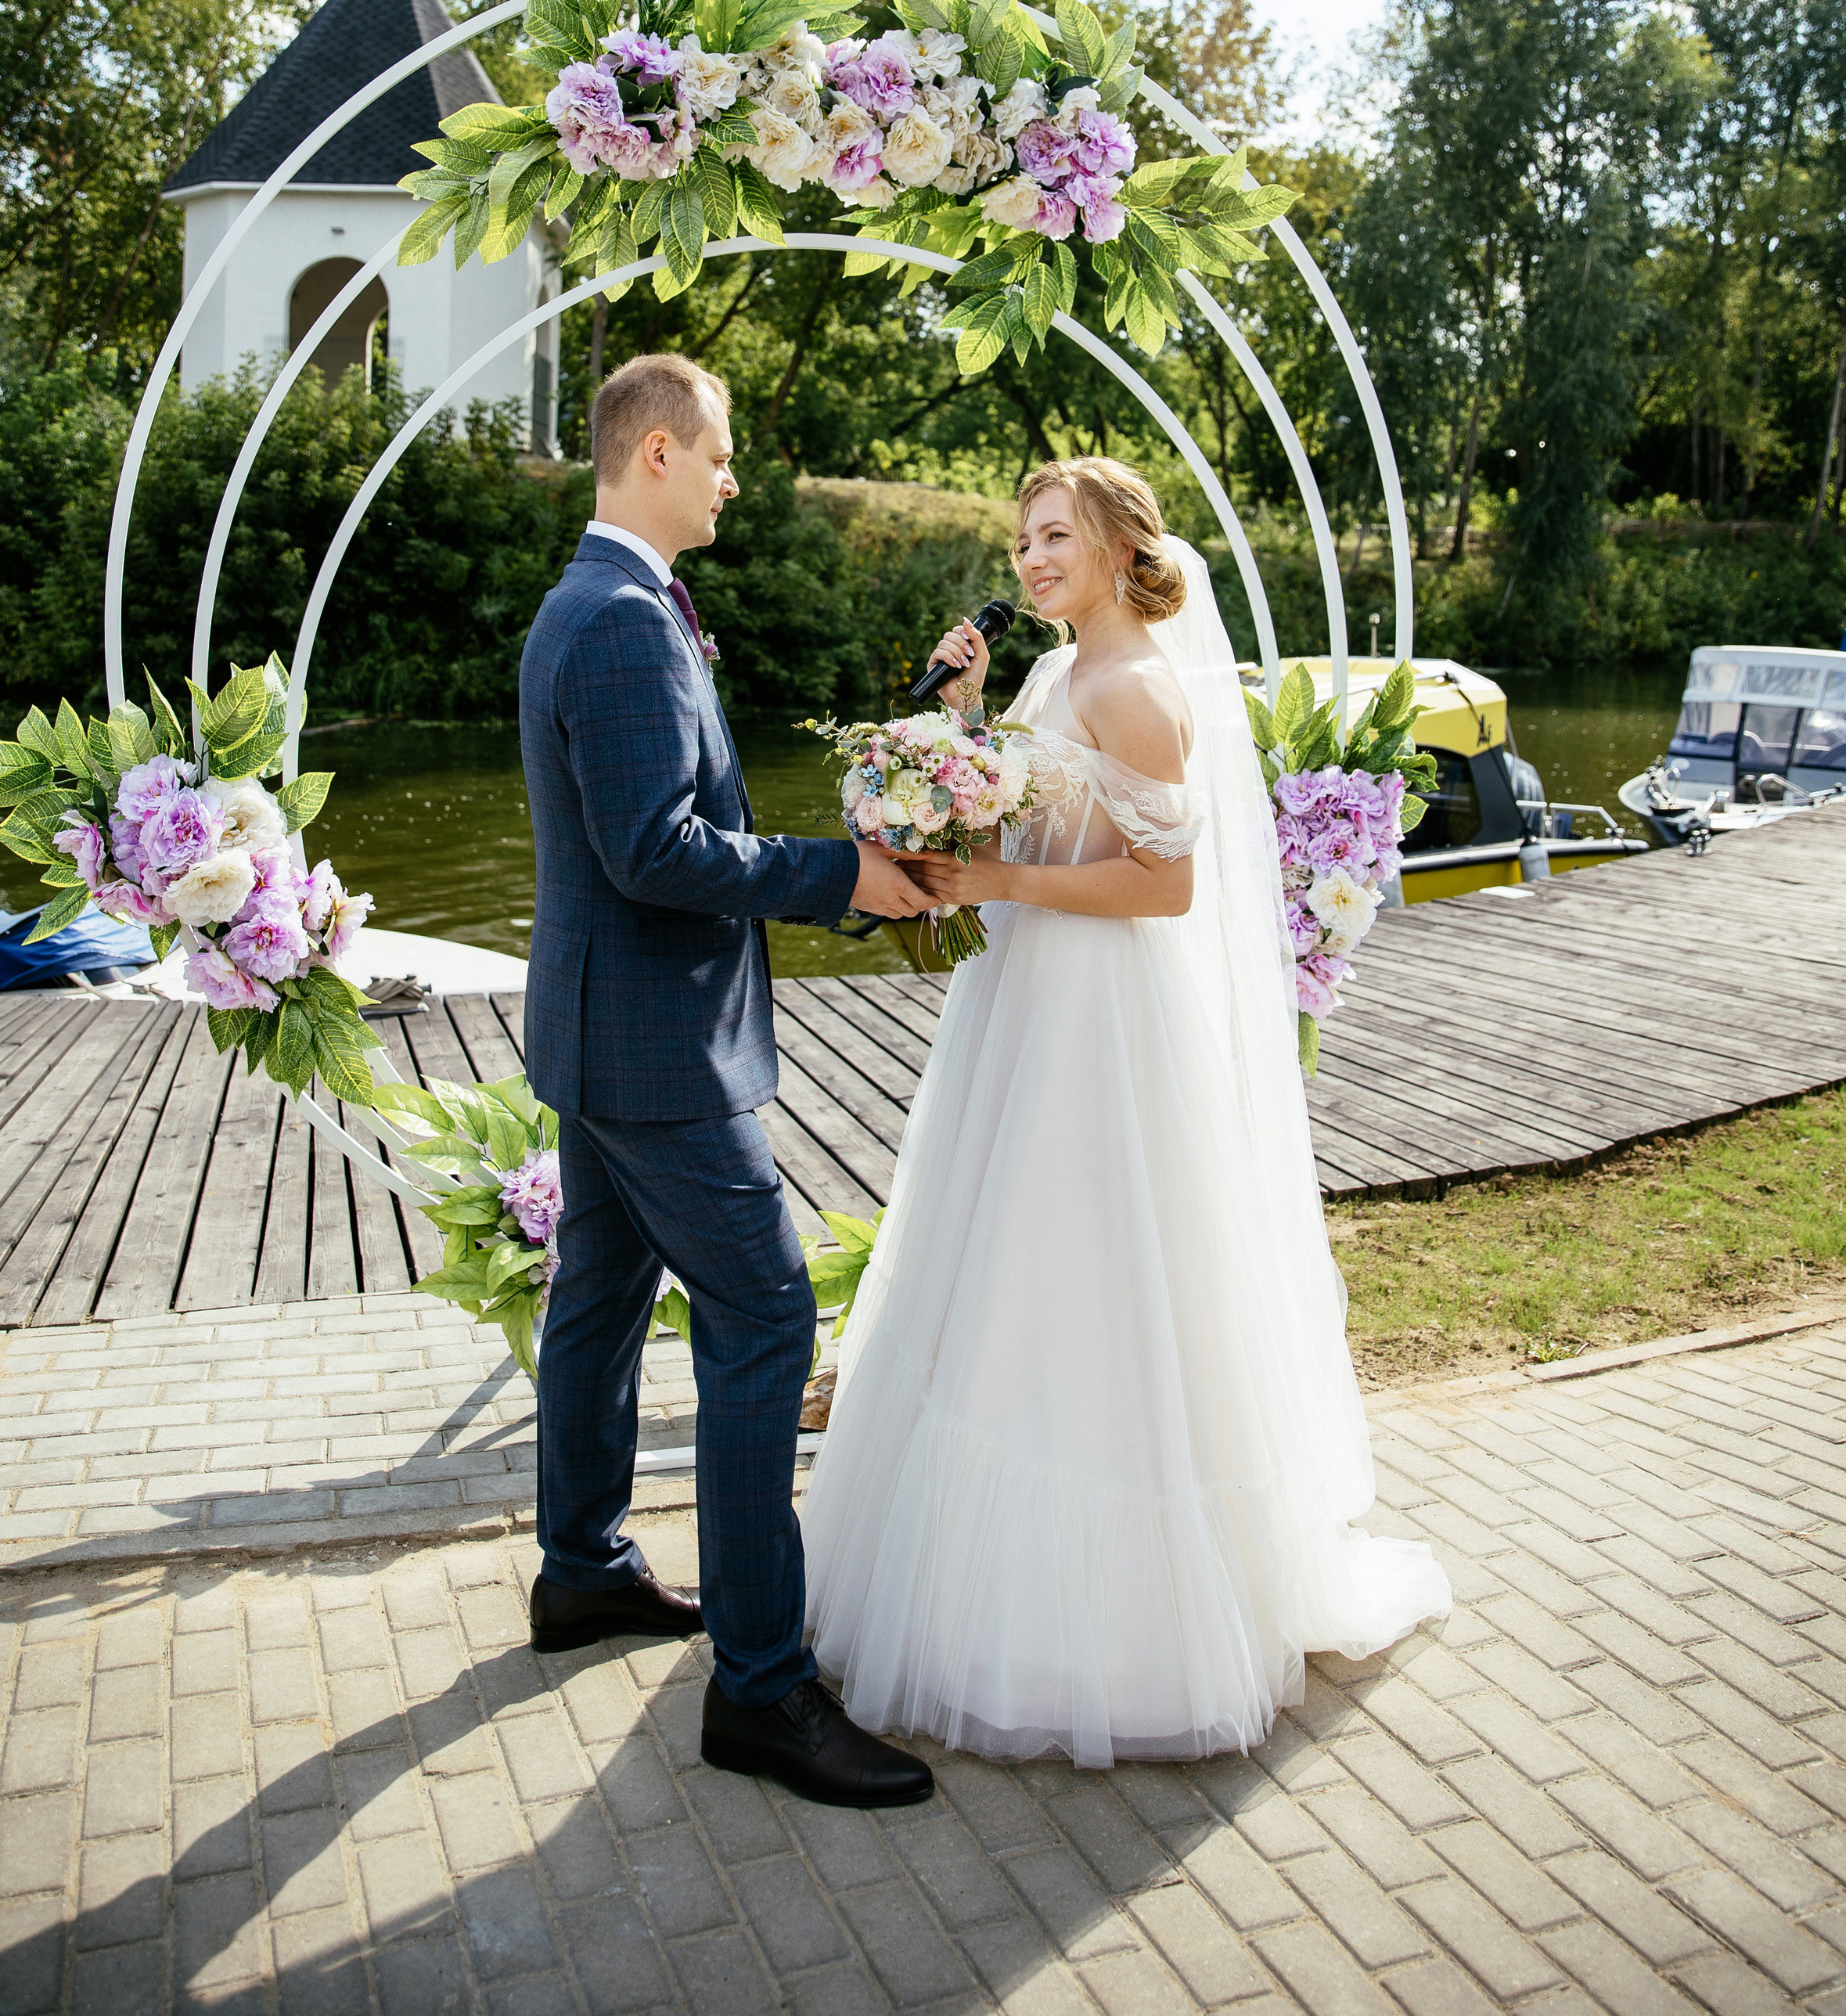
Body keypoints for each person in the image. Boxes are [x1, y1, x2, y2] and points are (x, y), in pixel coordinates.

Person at [801, 456, 1451, 1765]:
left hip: (1105, 1017)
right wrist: (966, 730)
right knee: (1003, 1269)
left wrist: (990, 874)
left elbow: (1163, 890)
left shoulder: (1144, 688)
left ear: (1114, 549)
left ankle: (1123, 1631)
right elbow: (1042, 815)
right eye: (1023, 537)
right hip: (1031, 1003)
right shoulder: (1054, 672)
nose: (1030, 558)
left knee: (1096, 1275)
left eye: (1054, 536)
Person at [519, 351, 939, 1809]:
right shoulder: (624, 623)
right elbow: (655, 854)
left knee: (600, 1299)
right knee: (764, 1312)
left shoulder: (610, 603)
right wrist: (846, 881)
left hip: (600, 1034)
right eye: (721, 450)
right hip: (653, 1053)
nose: (734, 473)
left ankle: (581, 1574)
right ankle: (763, 1691)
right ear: (652, 455)